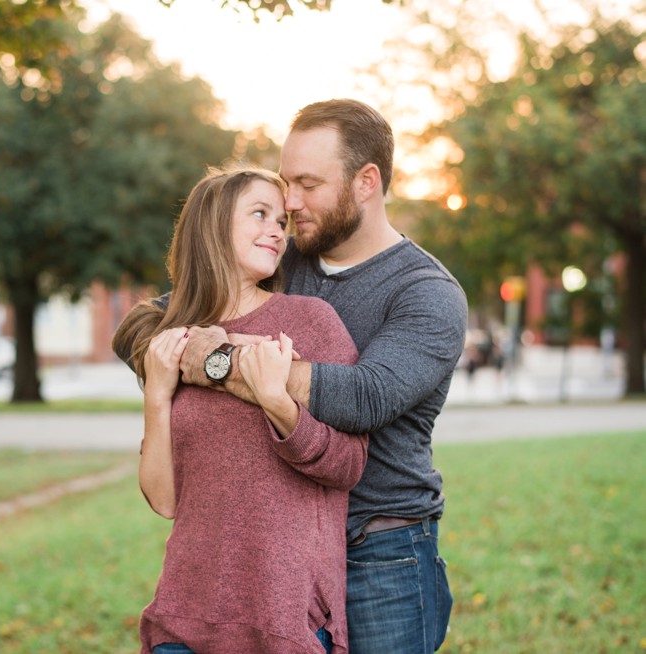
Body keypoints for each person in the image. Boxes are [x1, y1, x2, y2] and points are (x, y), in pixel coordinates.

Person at [115, 99, 467, 654]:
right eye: (286, 183)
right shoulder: (283, 258)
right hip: (274, 555)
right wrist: (176, 357)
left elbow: (363, 397)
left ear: (365, 182)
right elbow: (146, 325)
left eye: (307, 183)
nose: (290, 203)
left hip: (382, 552)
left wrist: (221, 362)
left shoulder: (426, 294)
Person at [112, 164, 368, 654]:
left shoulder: (311, 321)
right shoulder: (174, 341)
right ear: (212, 227)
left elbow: (348, 466)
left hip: (283, 620)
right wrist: (157, 397)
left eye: (281, 221)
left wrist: (277, 404)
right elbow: (165, 501)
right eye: (260, 214)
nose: (277, 229)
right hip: (184, 624)